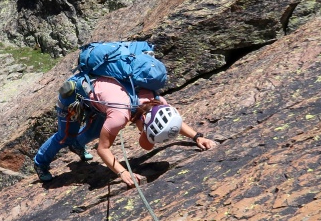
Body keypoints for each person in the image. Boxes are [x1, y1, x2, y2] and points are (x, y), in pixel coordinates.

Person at [33, 76, 217, 186]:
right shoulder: (120, 115)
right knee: (66, 135)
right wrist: (122, 172)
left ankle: (77, 146)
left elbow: (172, 123)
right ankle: (40, 163)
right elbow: (103, 149)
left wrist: (197, 137)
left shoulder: (157, 103)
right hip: (76, 93)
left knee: (97, 131)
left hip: (101, 100)